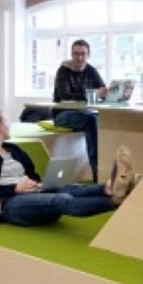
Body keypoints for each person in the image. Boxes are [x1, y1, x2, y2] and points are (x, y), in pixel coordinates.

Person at [0, 108, 138, 227]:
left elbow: (32, 174)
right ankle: (113, 201)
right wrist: (16, 187)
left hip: (30, 193)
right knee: (61, 199)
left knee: (69, 188)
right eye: (6, 121)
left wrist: (37, 184)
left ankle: (110, 187)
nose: (9, 125)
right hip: (9, 206)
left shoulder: (13, 149)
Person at [52, 39, 107, 181]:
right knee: (91, 120)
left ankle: (104, 165)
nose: (79, 57)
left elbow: (102, 89)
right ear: (71, 54)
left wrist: (104, 93)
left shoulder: (91, 70)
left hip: (82, 113)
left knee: (100, 119)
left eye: (83, 54)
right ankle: (96, 169)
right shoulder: (63, 71)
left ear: (88, 55)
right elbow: (65, 96)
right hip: (62, 115)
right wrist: (93, 94)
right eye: (76, 54)